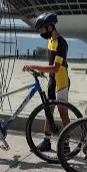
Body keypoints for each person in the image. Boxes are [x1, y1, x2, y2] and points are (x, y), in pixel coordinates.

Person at [22, 13, 70, 152]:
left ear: (50, 27)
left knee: (63, 113)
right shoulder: (50, 40)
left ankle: (66, 144)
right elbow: (50, 66)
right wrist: (41, 71)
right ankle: (46, 141)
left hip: (61, 81)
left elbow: (56, 67)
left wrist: (35, 66)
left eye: (41, 29)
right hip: (52, 80)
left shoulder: (61, 43)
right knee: (48, 111)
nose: (40, 32)